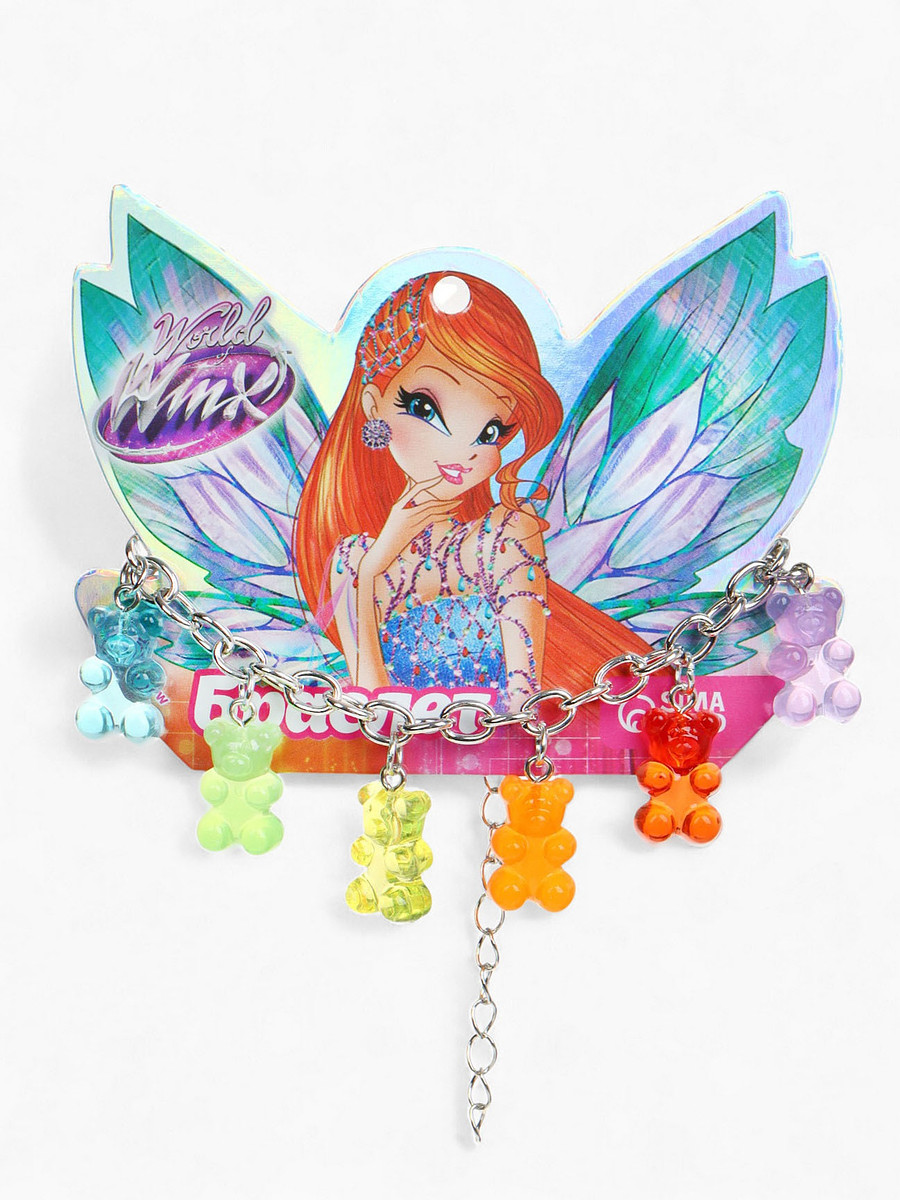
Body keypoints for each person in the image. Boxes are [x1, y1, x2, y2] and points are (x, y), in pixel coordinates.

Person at [295, 272, 647, 709]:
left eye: (491, 431)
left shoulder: (503, 539)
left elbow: (524, 696)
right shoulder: (353, 562)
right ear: (373, 407)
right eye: (425, 408)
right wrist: (371, 570)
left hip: (507, 741)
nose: (465, 451)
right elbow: (372, 707)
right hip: (397, 744)